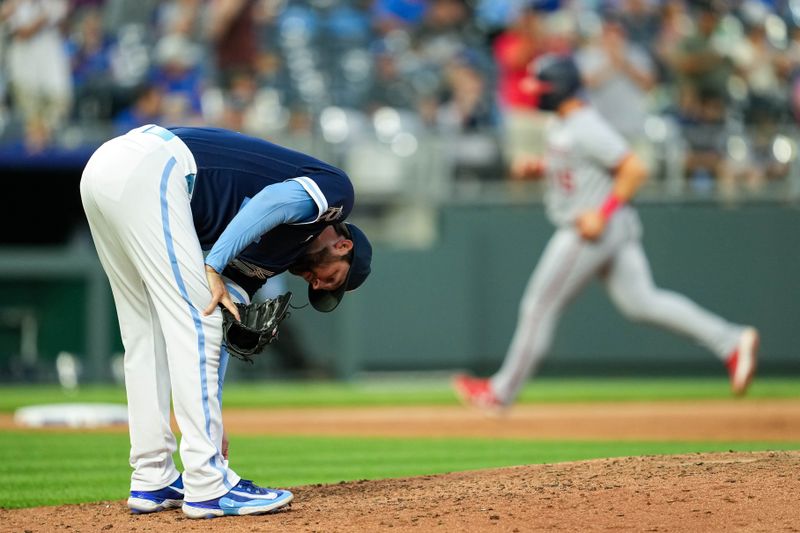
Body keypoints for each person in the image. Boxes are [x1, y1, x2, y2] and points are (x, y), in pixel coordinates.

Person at [79, 124, 372, 518]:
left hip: (107, 173)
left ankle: (153, 477)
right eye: (331, 278)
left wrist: (211, 422)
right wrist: (215, 263)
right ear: (343, 245)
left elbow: (221, 320)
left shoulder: (271, 257)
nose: (317, 283)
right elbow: (271, 200)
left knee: (146, 332)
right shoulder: (337, 195)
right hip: (155, 165)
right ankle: (208, 483)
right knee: (194, 319)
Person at [453, 54, 758, 411]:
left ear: (561, 88)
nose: (535, 93)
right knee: (642, 302)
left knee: (538, 306)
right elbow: (579, 166)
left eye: (541, 86)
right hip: (610, 227)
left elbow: (633, 169)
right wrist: (541, 167)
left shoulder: (584, 124)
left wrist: (602, 212)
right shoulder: (564, 123)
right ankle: (731, 341)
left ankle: (500, 393)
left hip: (590, 230)